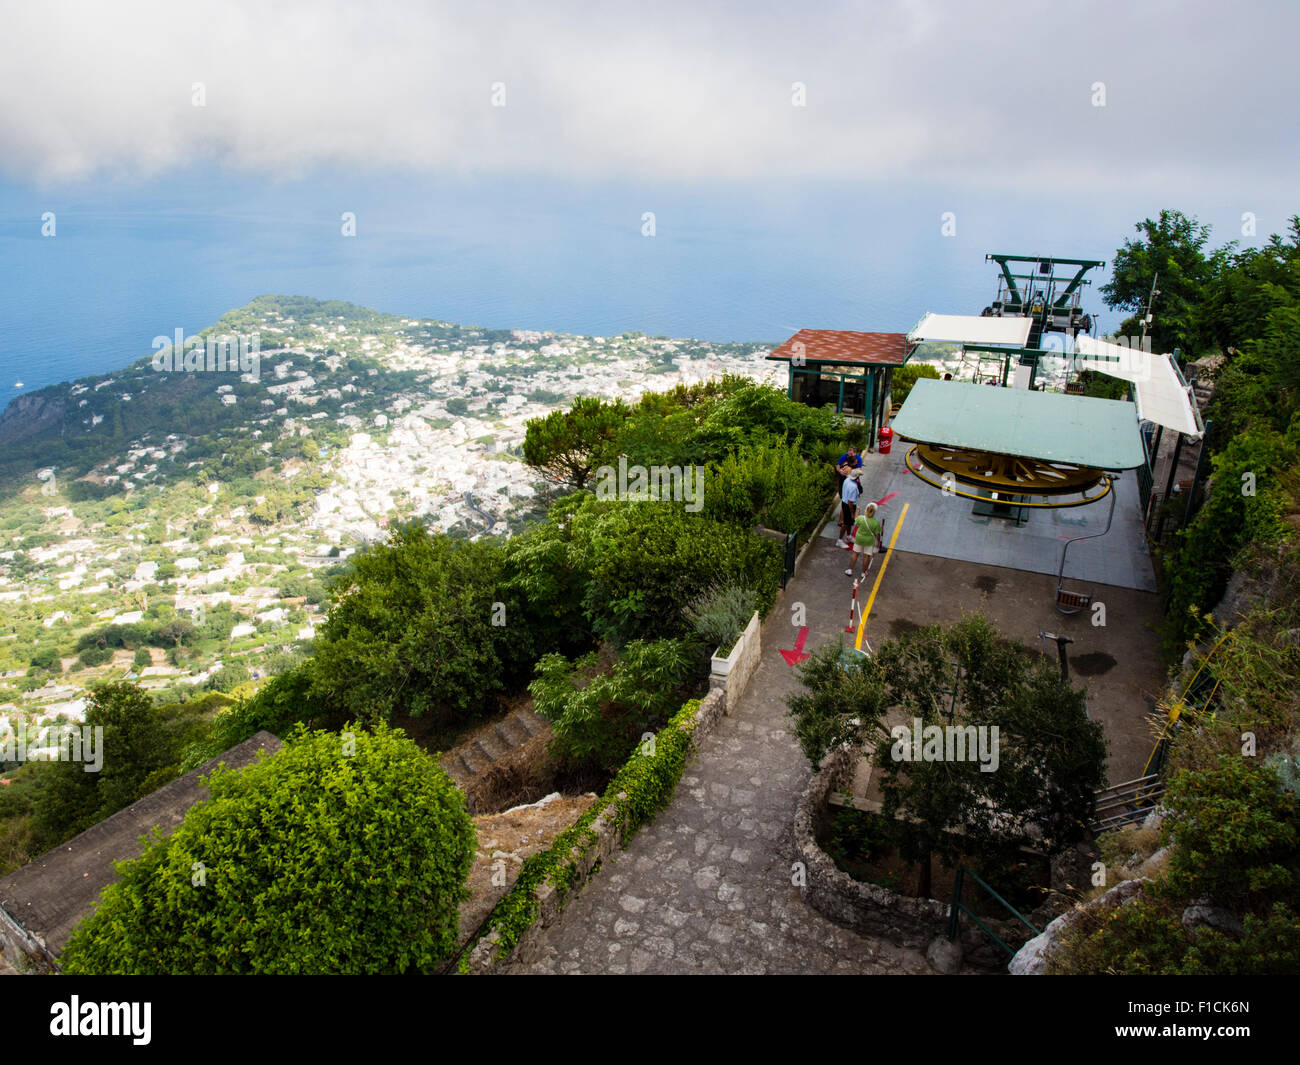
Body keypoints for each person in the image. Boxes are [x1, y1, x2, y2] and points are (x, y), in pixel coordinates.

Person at [846, 501, 884, 578]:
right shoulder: (876, 523)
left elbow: (856, 520)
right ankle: (863, 573)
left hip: (859, 539)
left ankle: (850, 570)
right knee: (866, 556)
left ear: (866, 509)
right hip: (869, 541)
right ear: (874, 512)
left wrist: (858, 511)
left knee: (855, 554)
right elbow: (878, 534)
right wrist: (878, 543)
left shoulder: (861, 518)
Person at [838, 470, 861, 546]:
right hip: (849, 506)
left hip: (844, 502)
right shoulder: (853, 486)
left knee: (849, 523)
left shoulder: (847, 479)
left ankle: (848, 536)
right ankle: (840, 540)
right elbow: (850, 502)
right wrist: (852, 513)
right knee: (845, 523)